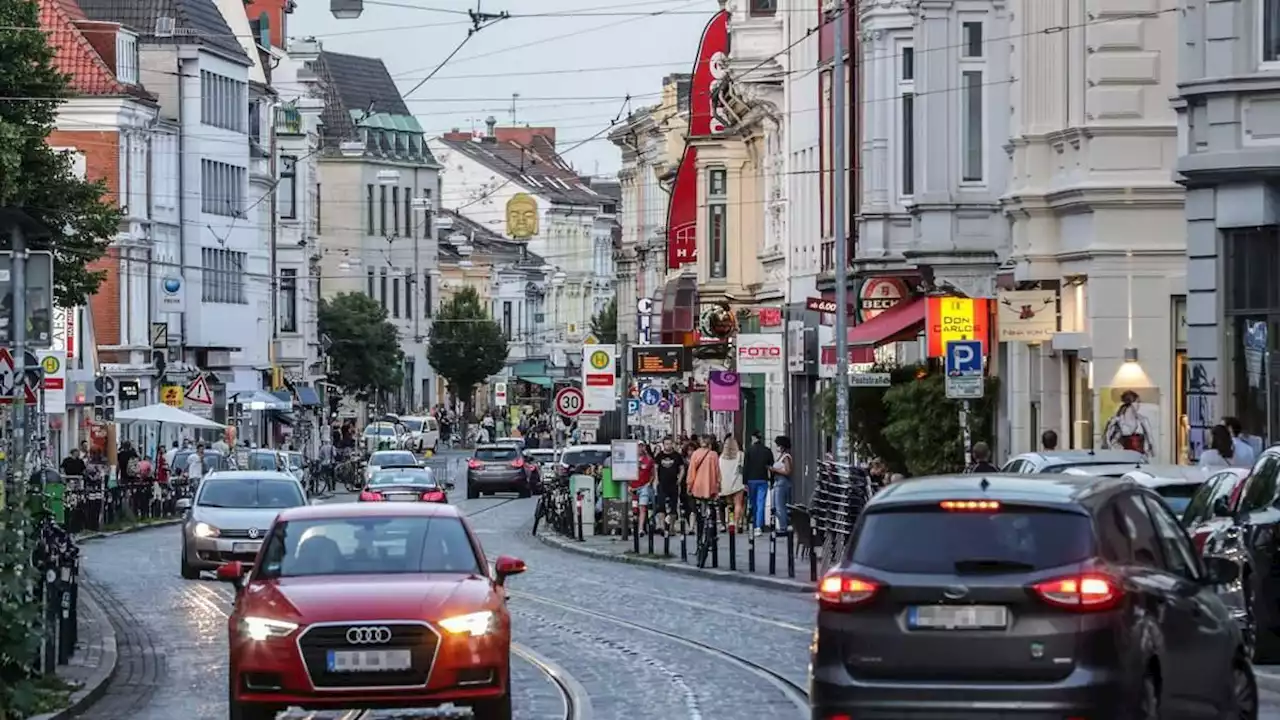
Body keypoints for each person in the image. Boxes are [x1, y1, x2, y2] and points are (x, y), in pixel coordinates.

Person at [685, 435, 723, 536]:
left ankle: (699, 524)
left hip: (698, 485)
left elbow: (691, 472)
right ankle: (708, 522)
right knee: (709, 504)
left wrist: (689, 486)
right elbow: (717, 471)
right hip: (710, 484)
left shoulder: (695, 454)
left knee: (698, 505)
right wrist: (718, 484)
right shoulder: (714, 455)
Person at [1104, 390, 1154, 456]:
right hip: (1122, 458)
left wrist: (1149, 453)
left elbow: (1150, 441)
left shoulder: (1142, 420)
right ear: (1131, 403)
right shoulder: (1116, 420)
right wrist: (1116, 449)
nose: (1139, 405)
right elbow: (1108, 440)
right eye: (1137, 402)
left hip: (1139, 459)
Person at [743, 431, 774, 536]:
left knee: (753, 503)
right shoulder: (767, 451)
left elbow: (745, 467)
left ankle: (755, 522)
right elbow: (771, 467)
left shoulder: (749, 451)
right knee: (761, 502)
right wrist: (772, 480)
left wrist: (744, 482)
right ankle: (758, 526)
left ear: (753, 438)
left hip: (751, 480)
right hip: (763, 479)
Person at [653, 437, 684, 534]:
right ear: (663, 444)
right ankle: (662, 526)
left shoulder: (677, 456)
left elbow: (682, 468)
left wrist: (679, 480)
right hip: (662, 484)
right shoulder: (659, 456)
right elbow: (655, 468)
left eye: (670, 443)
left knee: (673, 506)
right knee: (661, 505)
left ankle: (671, 527)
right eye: (666, 444)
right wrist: (656, 480)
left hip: (673, 484)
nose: (668, 446)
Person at [718, 434, 745, 531]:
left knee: (730, 505)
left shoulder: (721, 458)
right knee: (738, 504)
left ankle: (731, 522)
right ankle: (738, 524)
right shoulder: (740, 455)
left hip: (725, 484)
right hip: (738, 482)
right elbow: (742, 469)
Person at [770, 436, 794, 533]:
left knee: (780, 506)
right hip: (778, 482)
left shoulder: (786, 457)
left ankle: (784, 527)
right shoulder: (781, 456)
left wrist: (774, 470)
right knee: (776, 506)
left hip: (782, 482)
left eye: (778, 445)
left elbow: (788, 471)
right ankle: (784, 524)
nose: (777, 447)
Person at [630, 443, 655, 532]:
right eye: (638, 446)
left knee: (642, 507)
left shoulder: (649, 460)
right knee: (634, 509)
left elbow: (652, 473)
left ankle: (640, 529)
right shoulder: (630, 459)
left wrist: (649, 483)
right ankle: (634, 527)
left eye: (641, 446)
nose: (640, 448)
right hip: (633, 488)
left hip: (644, 487)